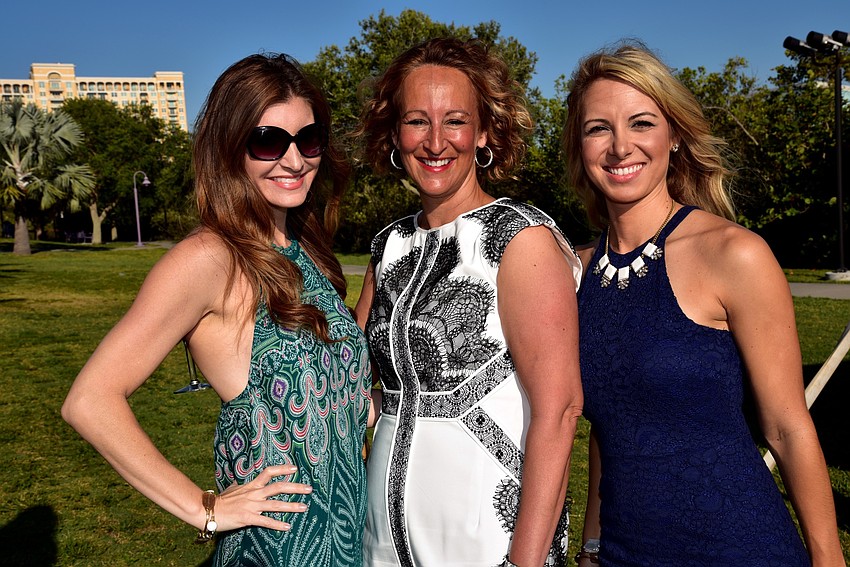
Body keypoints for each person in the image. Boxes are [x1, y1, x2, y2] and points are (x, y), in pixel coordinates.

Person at [62, 53, 372, 566]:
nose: (294, 161)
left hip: (345, 541)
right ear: (230, 149)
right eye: (269, 141)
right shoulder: (209, 259)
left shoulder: (305, 246)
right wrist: (204, 508)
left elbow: (338, 403)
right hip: (275, 551)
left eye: (309, 139)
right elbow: (91, 400)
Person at [563, 41, 846, 566]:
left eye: (642, 123)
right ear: (579, 147)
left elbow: (787, 427)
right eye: (598, 127)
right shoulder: (574, 272)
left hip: (740, 548)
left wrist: (830, 560)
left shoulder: (734, 254)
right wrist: (591, 547)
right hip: (624, 554)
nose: (620, 146)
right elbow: (610, 425)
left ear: (674, 137)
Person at [353, 37, 584, 567]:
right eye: (416, 121)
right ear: (393, 133)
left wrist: (524, 561)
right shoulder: (387, 245)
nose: (435, 142)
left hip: (486, 530)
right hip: (382, 532)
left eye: (455, 120)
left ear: (484, 133)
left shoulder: (519, 237)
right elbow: (355, 389)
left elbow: (562, 409)